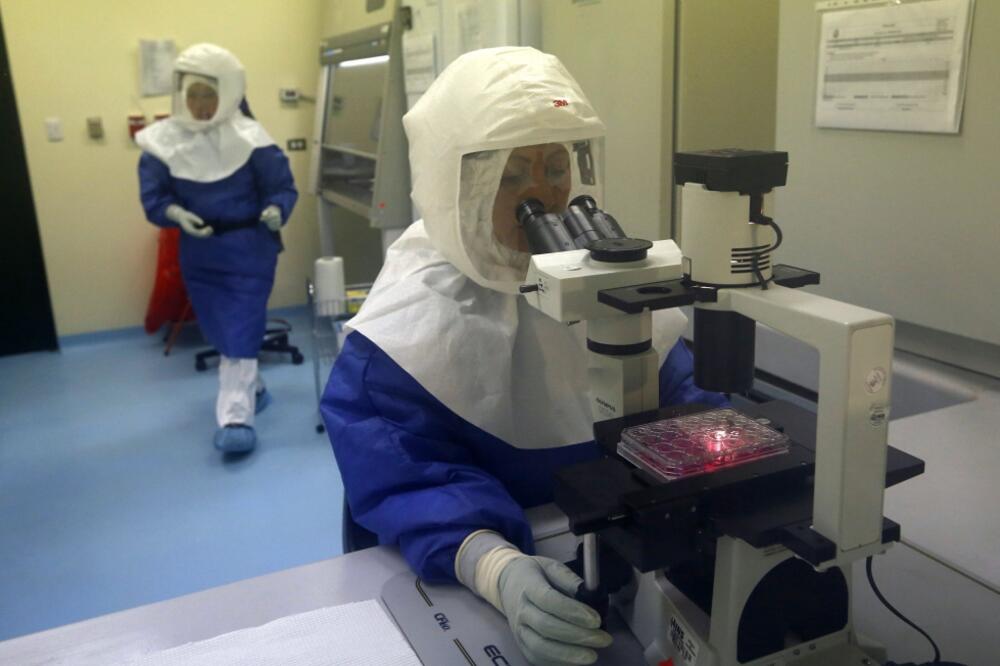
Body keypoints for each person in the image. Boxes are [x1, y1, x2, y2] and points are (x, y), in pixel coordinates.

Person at [321, 47, 727, 666]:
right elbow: (410, 478)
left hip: (630, 561)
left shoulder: (602, 280)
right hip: (491, 571)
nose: (541, 196)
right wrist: (496, 568)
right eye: (510, 176)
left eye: (555, 169)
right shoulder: (400, 335)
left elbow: (687, 406)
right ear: (455, 183)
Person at [137, 44, 297, 454]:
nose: (201, 104)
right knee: (221, 329)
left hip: (248, 249)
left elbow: (281, 186)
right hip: (200, 253)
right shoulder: (163, 142)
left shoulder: (252, 139)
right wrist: (176, 212)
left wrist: (277, 209)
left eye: (209, 94)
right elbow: (154, 197)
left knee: (242, 325)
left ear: (227, 94)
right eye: (193, 95)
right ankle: (254, 388)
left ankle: (235, 417)